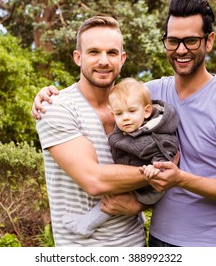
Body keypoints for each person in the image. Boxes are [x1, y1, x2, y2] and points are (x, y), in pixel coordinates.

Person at [32, 0, 216, 247]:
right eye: (173, 41)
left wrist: (179, 178)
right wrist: (47, 95)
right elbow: (95, 175)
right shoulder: (151, 93)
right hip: (155, 241)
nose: (181, 49)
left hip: (209, 245)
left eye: (191, 40)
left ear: (209, 41)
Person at [35, 15, 155, 247]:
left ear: (122, 59)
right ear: (78, 58)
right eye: (93, 52)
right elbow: (94, 181)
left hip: (135, 245)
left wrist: (140, 204)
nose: (103, 61)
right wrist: (162, 172)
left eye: (111, 53)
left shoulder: (137, 107)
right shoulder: (57, 108)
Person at [62, 78, 179, 237]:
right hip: (135, 183)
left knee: (113, 199)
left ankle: (86, 224)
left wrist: (155, 166)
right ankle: (138, 216)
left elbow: (166, 152)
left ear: (146, 111)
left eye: (132, 111)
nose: (125, 117)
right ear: (113, 114)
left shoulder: (154, 135)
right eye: (119, 113)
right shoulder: (128, 129)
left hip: (150, 189)